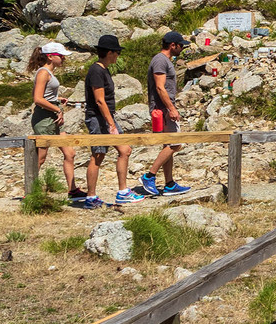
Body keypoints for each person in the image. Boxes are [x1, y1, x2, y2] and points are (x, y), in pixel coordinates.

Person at [140, 29, 214, 197]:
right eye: (180, 45)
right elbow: (160, 87)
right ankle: (149, 176)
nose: (182, 48)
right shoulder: (160, 61)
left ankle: (169, 184)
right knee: (175, 143)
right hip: (163, 109)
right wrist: (171, 108)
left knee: (169, 145)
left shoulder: (164, 60)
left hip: (164, 108)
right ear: (172, 45)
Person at [83, 34, 141, 206]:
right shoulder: (96, 71)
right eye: (117, 52)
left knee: (125, 150)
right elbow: (99, 100)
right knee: (98, 155)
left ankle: (123, 191)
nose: (118, 56)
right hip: (98, 118)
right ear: (110, 52)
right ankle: (91, 196)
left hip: (107, 117)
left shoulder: (103, 70)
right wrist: (110, 124)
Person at [28, 43, 85, 205]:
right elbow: (37, 98)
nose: (63, 58)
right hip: (45, 118)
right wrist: (57, 109)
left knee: (70, 153)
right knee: (41, 157)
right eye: (60, 56)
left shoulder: (48, 73)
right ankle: (30, 190)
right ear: (50, 56)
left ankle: (72, 190)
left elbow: (42, 94)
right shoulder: (43, 73)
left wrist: (57, 100)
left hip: (53, 116)